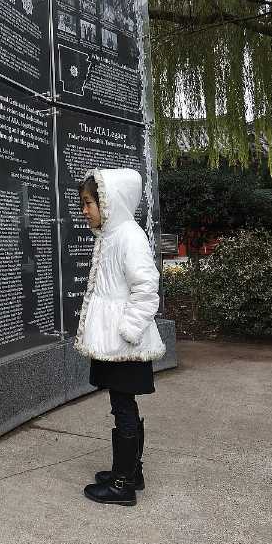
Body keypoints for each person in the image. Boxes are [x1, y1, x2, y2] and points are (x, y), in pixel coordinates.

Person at [75, 168, 166, 506]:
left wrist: (127, 330)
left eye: (88, 203)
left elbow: (147, 289)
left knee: (123, 406)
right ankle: (131, 470)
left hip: (125, 342)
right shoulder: (110, 236)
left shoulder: (129, 236)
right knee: (121, 404)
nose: (84, 210)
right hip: (115, 342)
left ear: (107, 202)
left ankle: (121, 484)